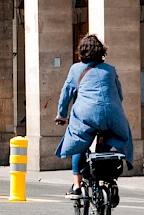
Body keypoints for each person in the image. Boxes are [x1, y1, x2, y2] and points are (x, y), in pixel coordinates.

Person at [55, 33, 134, 194]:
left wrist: (62, 116)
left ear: (81, 51)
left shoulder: (76, 69)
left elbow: (66, 94)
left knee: (78, 142)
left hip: (86, 115)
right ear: (101, 51)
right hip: (113, 114)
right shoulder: (110, 69)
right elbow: (119, 95)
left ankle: (77, 186)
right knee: (112, 139)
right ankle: (108, 180)